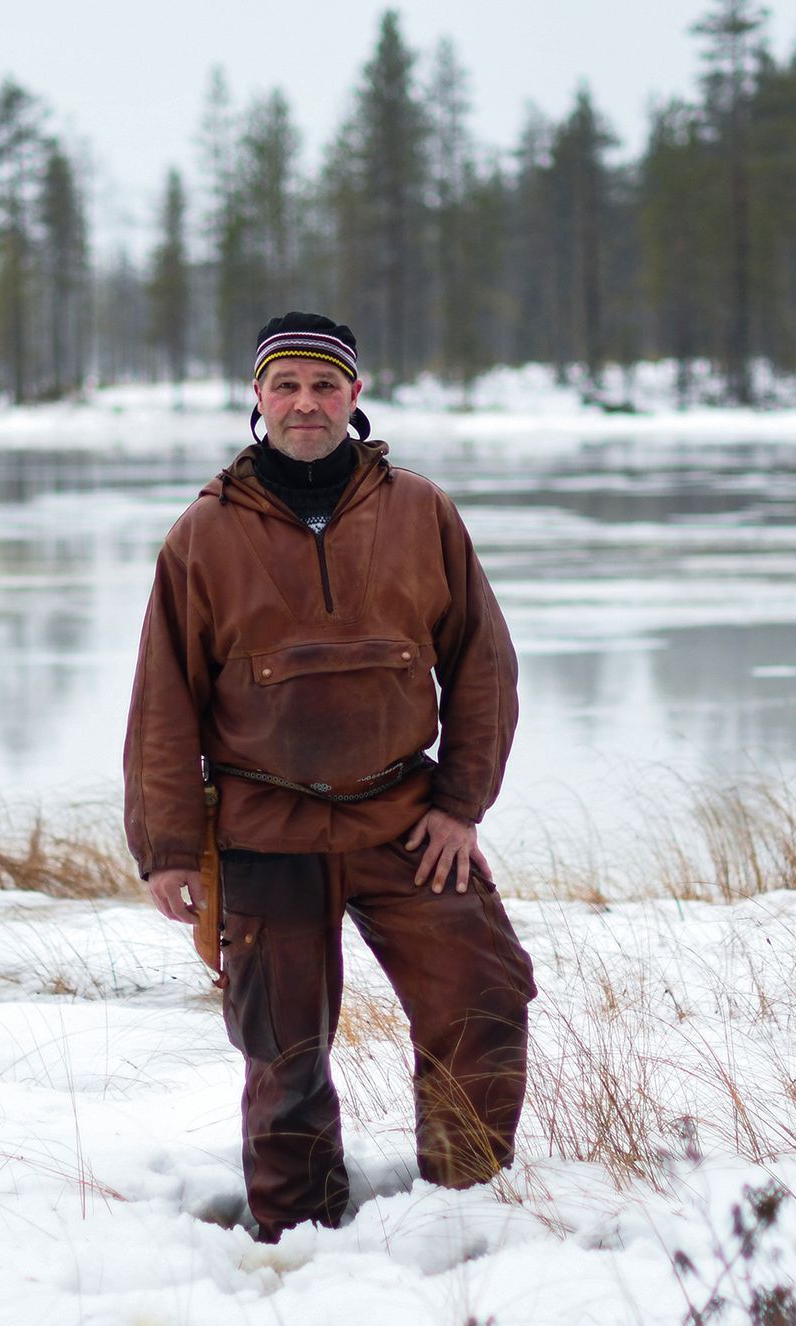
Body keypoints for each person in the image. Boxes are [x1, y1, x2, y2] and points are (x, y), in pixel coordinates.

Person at [123, 311, 535, 1241]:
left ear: (355, 396)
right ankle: (296, 1238)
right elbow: (163, 703)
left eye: (323, 385)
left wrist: (460, 804)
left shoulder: (420, 510)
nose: (305, 403)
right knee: (284, 1054)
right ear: (257, 398)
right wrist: (169, 848)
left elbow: (483, 663)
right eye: (286, 386)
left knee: (484, 994)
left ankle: (464, 1213)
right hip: (265, 831)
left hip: (405, 819)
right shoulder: (205, 531)